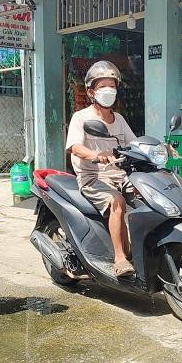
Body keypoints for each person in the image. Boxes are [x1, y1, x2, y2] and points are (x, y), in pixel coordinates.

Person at [65, 60, 137, 278]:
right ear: (91, 91)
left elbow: (134, 145)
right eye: (103, 86)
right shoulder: (81, 117)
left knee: (150, 195)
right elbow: (75, 147)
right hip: (93, 177)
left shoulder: (120, 120)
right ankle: (120, 258)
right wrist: (96, 155)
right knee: (118, 202)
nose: (109, 91)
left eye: (112, 86)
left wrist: (158, 149)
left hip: (120, 174)